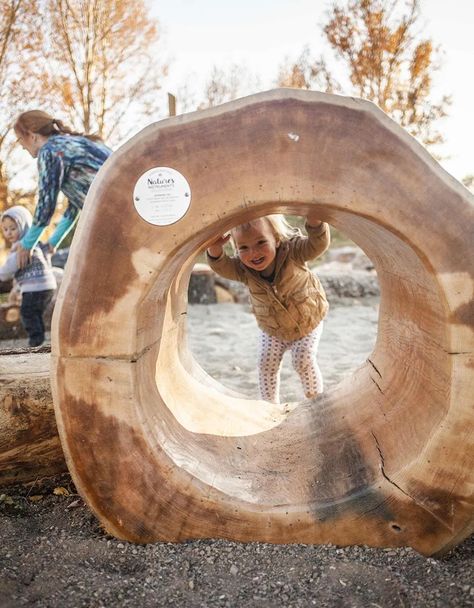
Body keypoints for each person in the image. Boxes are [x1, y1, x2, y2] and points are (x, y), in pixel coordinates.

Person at [206, 213, 330, 404]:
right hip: (273, 329)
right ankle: (269, 406)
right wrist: (215, 249)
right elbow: (222, 267)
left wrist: (314, 221)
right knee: (266, 364)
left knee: (302, 361)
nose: (253, 253)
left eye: (261, 242)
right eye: (244, 248)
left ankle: (316, 400)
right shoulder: (242, 269)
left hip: (307, 323)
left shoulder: (294, 252)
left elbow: (317, 245)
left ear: (277, 238)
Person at [13, 110, 112, 268]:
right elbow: (75, 206)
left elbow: (46, 205)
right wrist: (52, 242)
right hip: (126, 207)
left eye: (20, 139)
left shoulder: (50, 151)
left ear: (32, 136)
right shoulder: (74, 142)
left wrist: (27, 244)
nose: (21, 146)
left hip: (114, 215)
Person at [0, 206, 57, 347]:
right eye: (5, 229)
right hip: (47, 286)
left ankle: (36, 341)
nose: (9, 233)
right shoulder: (34, 244)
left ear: (24, 226)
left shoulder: (21, 249)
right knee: (35, 314)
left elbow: (7, 271)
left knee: (27, 312)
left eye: (13, 228)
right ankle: (42, 338)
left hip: (35, 288)